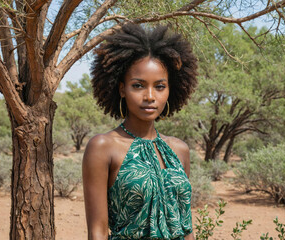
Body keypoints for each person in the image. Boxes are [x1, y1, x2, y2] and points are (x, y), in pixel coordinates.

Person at [82, 23, 198, 240]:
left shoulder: (179, 150)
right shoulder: (103, 147)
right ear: (121, 89)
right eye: (138, 85)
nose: (150, 96)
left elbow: (186, 226)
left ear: (170, 90)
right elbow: (97, 231)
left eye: (160, 86)